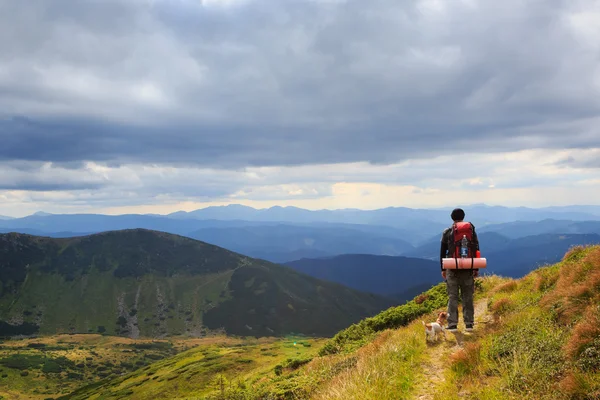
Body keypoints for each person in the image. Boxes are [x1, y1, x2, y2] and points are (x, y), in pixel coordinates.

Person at [439, 208, 480, 333]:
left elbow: (442, 251)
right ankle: (469, 324)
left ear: (452, 218)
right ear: (463, 217)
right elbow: (476, 248)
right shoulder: (471, 230)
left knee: (453, 297)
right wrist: (475, 267)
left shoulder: (447, 232)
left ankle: (452, 325)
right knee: (467, 296)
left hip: (452, 267)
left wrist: (443, 269)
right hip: (468, 267)